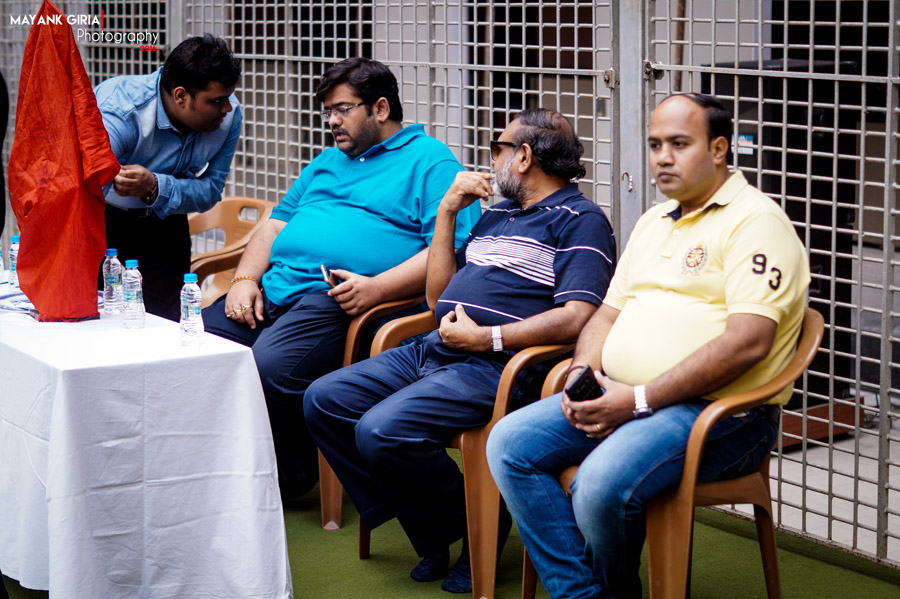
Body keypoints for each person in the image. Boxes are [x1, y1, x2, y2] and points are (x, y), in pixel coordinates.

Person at [486, 93, 811, 599]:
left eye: (680, 144)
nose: (663, 157)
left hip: (722, 416)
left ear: (719, 149)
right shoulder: (653, 221)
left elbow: (748, 343)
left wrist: (637, 400)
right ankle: (582, 594)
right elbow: (606, 315)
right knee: (509, 443)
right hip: (622, 395)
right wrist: (581, 374)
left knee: (598, 484)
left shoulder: (757, 223)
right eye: (656, 144)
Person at [304, 108, 616, 593]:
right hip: (435, 348)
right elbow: (437, 299)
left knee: (381, 430)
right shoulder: (498, 214)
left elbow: (578, 316)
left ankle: (465, 528)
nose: (490, 160)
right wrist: (447, 212)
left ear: (524, 157)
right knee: (325, 400)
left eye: (497, 148)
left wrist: (487, 339)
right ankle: (446, 526)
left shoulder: (583, 220)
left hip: (497, 365)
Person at [202, 57, 481, 500]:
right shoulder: (326, 161)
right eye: (327, 111)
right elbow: (273, 226)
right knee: (196, 348)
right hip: (273, 289)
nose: (332, 121)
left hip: (337, 298)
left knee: (268, 367)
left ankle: (289, 475)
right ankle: (211, 467)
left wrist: (377, 287)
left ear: (381, 109)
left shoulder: (430, 162)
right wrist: (244, 280)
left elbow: (447, 251)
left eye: (342, 109)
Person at [95, 34, 242, 320]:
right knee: (96, 317)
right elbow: (85, 189)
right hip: (103, 219)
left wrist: (155, 187)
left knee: (165, 325)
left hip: (167, 223)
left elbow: (211, 190)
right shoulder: (122, 111)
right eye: (216, 100)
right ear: (180, 96)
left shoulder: (230, 115)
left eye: (228, 97)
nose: (226, 108)